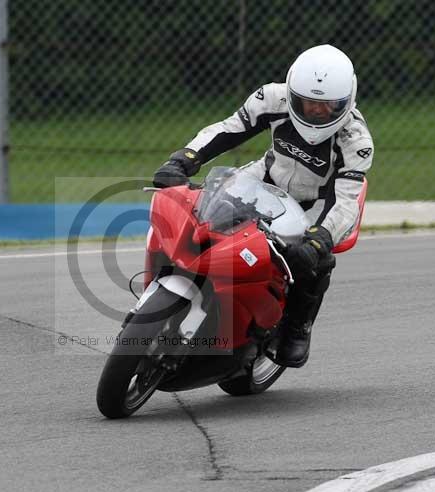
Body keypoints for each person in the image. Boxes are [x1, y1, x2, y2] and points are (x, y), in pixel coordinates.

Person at [153, 44, 373, 368]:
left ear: (345, 102)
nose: (313, 111)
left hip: (316, 206)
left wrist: (320, 238)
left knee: (311, 260)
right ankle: (176, 280)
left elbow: (346, 201)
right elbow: (229, 129)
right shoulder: (272, 98)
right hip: (265, 178)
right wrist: (184, 159)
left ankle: (298, 325)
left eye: (325, 107)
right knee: (204, 211)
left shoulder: (356, 140)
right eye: (307, 102)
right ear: (292, 91)